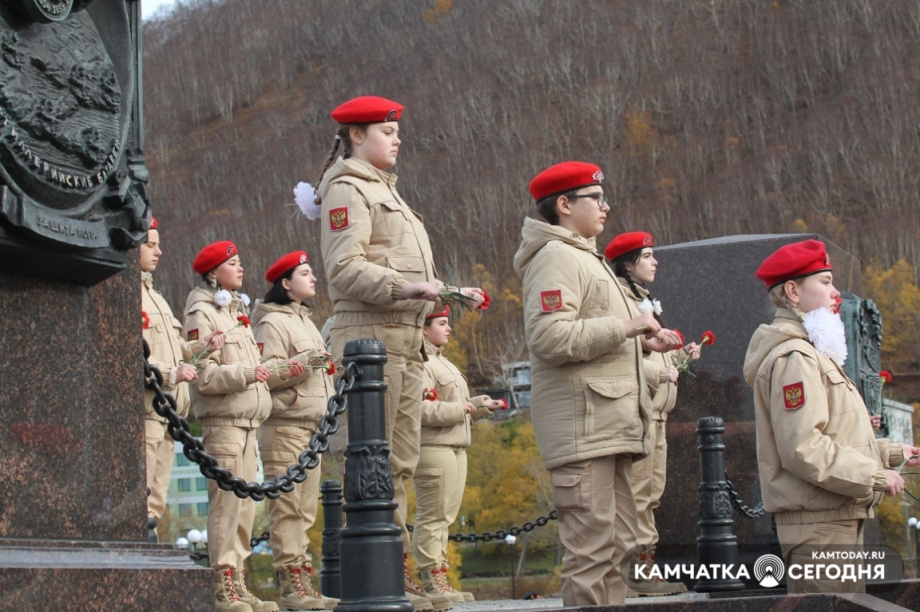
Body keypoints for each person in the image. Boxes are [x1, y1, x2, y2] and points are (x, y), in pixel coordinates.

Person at [314, 94, 483, 612]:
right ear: (357, 136)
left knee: (400, 464)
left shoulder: (388, 192)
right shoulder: (347, 188)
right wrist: (408, 288)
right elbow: (344, 269)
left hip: (403, 341)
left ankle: (398, 571)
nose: (397, 138)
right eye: (387, 131)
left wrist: (441, 292)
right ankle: (374, 579)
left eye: (395, 130)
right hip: (371, 337)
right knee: (371, 464)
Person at [512, 161, 680, 605]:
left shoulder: (583, 254)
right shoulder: (556, 257)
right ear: (565, 205)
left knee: (618, 554)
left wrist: (644, 341)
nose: (606, 207)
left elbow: (595, 335)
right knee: (591, 557)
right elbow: (549, 337)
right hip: (584, 430)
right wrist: (625, 328)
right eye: (596, 199)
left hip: (608, 426)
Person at [743, 239, 920, 594]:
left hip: (831, 517)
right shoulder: (796, 359)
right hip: (819, 527)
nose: (836, 292)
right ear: (793, 291)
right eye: (824, 282)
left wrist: (891, 453)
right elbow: (803, 447)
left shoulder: (811, 353)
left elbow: (833, 436)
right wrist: (872, 474)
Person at [183, 240, 301, 612]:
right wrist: (248, 373)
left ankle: (238, 583)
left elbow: (257, 370)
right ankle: (223, 586)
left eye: (239, 262)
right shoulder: (202, 312)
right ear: (213, 273)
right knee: (226, 508)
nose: (241, 268)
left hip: (248, 423)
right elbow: (204, 377)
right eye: (232, 264)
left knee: (244, 510)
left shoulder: (234, 312)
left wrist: (283, 369)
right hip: (225, 424)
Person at [605, 231, 698, 597]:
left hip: (657, 416)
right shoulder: (622, 302)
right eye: (646, 256)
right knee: (637, 496)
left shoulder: (643, 301)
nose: (655, 261)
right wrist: (661, 372)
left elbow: (651, 354)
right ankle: (635, 574)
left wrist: (679, 358)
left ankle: (645, 567)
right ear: (628, 264)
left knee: (651, 494)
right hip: (637, 413)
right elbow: (618, 359)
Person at [252, 251, 338, 611]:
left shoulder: (304, 321)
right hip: (284, 427)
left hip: (311, 429)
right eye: (305, 273)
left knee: (304, 511)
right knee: (287, 508)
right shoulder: (271, 323)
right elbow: (266, 373)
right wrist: (306, 364)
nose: (313, 278)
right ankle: (292, 584)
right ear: (285, 284)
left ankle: (304, 581)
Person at [141, 217, 225, 540]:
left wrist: (199, 347)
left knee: (155, 505)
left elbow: (176, 348)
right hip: (148, 410)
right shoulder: (129, 296)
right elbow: (132, 354)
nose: (159, 251)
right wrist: (170, 374)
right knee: (142, 502)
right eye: (150, 245)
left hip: (168, 415)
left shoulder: (157, 299)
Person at [413, 305, 501, 603]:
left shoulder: (442, 361)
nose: (448, 328)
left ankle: (440, 575)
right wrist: (458, 409)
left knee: (446, 516)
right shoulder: (420, 362)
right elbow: (419, 410)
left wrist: (479, 405)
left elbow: (455, 406)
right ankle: (431, 577)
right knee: (434, 516)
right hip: (433, 447)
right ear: (423, 328)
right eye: (441, 323)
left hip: (454, 446)